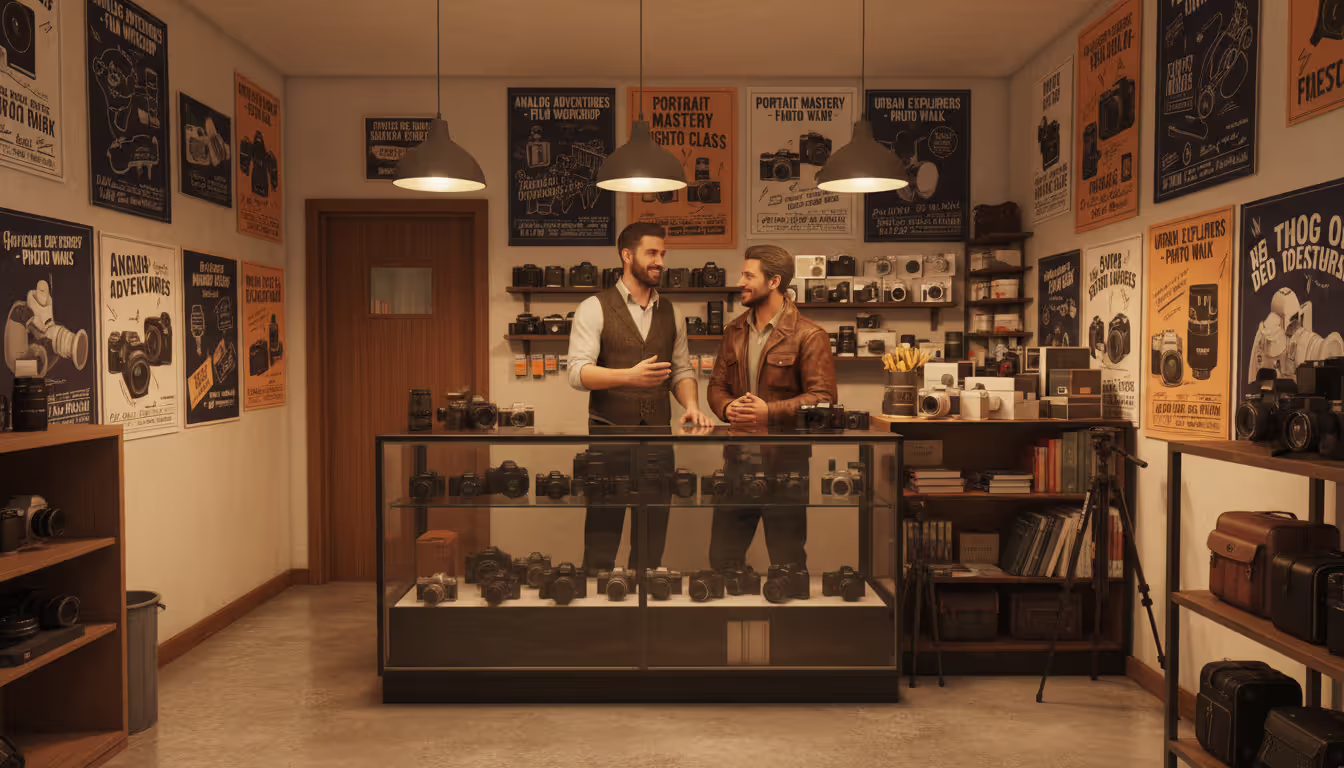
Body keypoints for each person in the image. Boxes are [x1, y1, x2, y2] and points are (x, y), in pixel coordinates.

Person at [567, 222, 713, 574]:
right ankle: (599, 613)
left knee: (652, 535)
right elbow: (577, 373)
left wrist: (692, 405)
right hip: (609, 436)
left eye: (662, 254)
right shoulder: (594, 307)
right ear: (627, 255)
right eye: (652, 253)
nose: (660, 261)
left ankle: (643, 616)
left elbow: (681, 371)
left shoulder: (672, 313)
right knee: (602, 532)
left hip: (658, 438)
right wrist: (628, 376)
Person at [705, 244, 837, 569]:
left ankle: (787, 622)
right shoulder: (733, 331)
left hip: (785, 469)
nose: (741, 281)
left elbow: (823, 398)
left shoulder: (809, 334)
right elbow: (716, 387)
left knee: (788, 563)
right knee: (722, 561)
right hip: (736, 466)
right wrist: (727, 408)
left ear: (774, 281)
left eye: (749, 275)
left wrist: (769, 411)